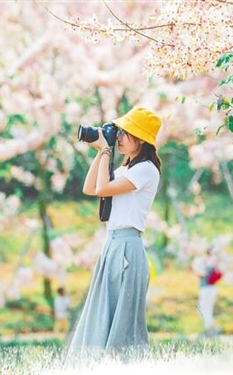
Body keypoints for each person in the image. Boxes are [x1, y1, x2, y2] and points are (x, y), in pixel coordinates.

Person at [67, 106, 162, 358]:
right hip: (112, 246)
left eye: (124, 133)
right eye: (118, 132)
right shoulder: (126, 170)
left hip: (127, 249)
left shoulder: (146, 170)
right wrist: (101, 152)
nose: (118, 137)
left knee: (122, 322)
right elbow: (90, 187)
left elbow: (103, 188)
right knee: (103, 312)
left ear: (140, 138)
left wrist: (107, 150)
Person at [194, 248, 221, 337]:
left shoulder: (206, 261)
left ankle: (209, 326)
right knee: (207, 308)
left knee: (204, 308)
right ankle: (209, 326)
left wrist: (200, 271)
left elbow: (202, 273)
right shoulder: (214, 260)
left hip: (206, 288)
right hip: (211, 288)